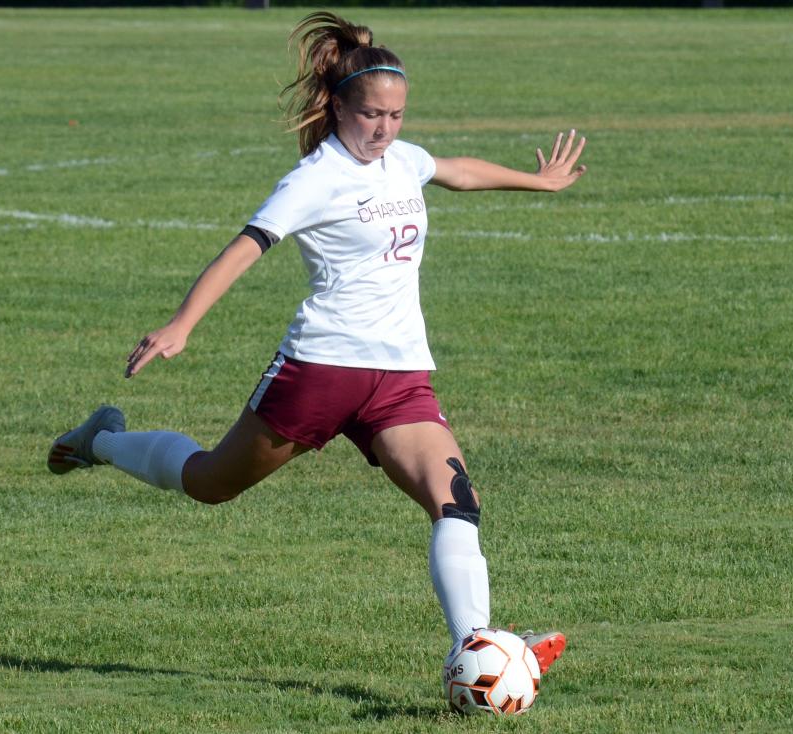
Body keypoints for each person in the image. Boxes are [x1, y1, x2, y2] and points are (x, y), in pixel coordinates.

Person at [48, 11, 585, 680]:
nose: (384, 128)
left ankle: (478, 649)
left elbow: (454, 170)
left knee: (457, 502)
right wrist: (184, 323)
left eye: (395, 115)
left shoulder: (402, 160)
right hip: (321, 369)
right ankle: (96, 440)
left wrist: (540, 181)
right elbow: (245, 248)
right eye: (370, 115)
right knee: (211, 482)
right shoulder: (315, 179)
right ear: (337, 107)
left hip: (400, 377)